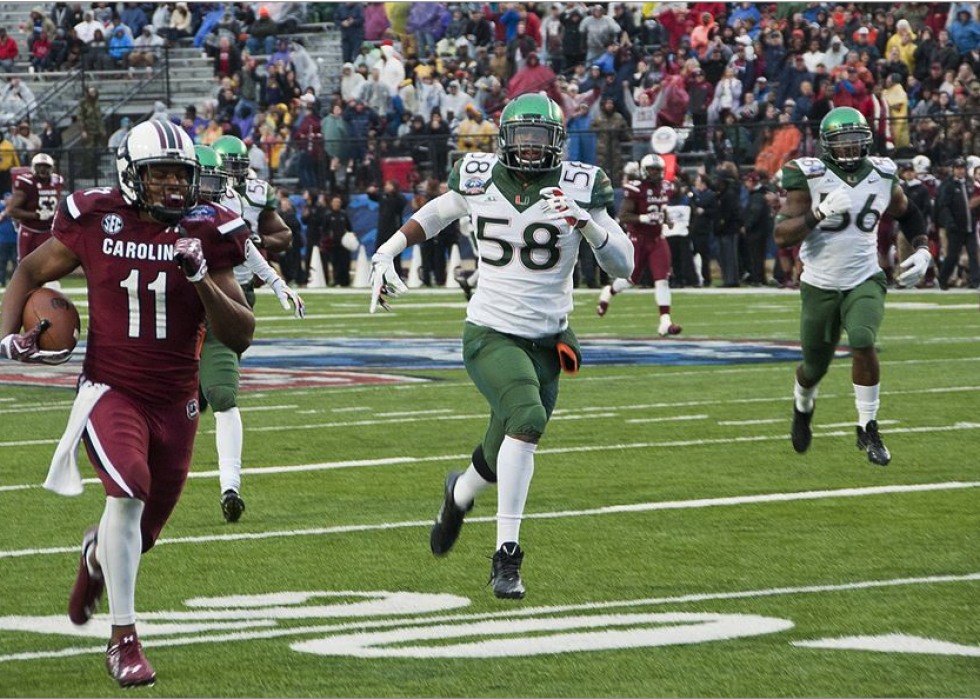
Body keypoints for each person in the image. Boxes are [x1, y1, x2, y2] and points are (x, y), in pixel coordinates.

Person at [0, 119, 254, 688]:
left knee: (139, 536)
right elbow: (28, 271)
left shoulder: (209, 229)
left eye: (179, 176)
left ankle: (94, 561)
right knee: (129, 485)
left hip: (178, 402)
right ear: (131, 175)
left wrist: (202, 279)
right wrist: (9, 338)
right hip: (110, 389)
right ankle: (124, 638)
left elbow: (239, 335)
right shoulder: (95, 216)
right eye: (159, 175)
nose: (171, 187)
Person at [368, 94, 633, 599]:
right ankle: (506, 556)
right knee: (527, 420)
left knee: (504, 441)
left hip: (548, 337)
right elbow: (440, 213)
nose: (531, 150)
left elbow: (625, 265)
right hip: (490, 330)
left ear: (557, 142)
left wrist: (587, 223)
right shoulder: (477, 174)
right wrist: (390, 247)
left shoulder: (581, 184)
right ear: (506, 140)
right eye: (523, 139)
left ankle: (459, 493)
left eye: (540, 140)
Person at [774, 107, 931, 466]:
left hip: (864, 277)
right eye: (841, 143)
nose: (848, 150)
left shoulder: (881, 173)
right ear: (827, 145)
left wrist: (923, 250)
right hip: (819, 284)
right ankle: (803, 406)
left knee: (862, 339)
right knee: (813, 367)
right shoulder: (808, 175)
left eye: (854, 142)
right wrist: (818, 213)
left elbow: (908, 213)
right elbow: (781, 236)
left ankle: (867, 427)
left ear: (867, 142)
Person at [208, 135, 302, 522]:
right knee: (182, 396)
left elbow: (249, 246)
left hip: (233, 293)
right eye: (211, 179)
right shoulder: (171, 210)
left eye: (221, 178)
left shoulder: (233, 204)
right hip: (179, 305)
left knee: (222, 392)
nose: (218, 187)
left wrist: (278, 283)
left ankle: (230, 486)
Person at [595, 154, 681, 336]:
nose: (655, 173)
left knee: (662, 280)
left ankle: (665, 322)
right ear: (643, 170)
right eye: (651, 169)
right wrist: (644, 218)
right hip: (637, 238)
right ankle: (608, 291)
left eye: (658, 170)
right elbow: (624, 216)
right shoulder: (635, 189)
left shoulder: (665, 187)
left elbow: (662, 206)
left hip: (657, 238)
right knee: (631, 278)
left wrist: (667, 218)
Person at [7, 153, 64, 263]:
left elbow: (58, 202)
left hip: (48, 230)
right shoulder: (27, 183)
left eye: (46, 166)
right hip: (29, 230)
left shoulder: (57, 181)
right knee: (24, 264)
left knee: (50, 264)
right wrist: (36, 215)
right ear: (34, 167)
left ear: (51, 168)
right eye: (40, 166)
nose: (43, 169)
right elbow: (12, 210)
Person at [935, 157, 980, 289]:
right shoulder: (948, 185)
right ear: (953, 170)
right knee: (952, 256)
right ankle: (943, 279)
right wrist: (949, 222)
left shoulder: (969, 184)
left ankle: (975, 281)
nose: (960, 171)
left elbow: (972, 204)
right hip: (956, 227)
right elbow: (944, 206)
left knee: (973, 254)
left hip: (969, 226)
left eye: (962, 168)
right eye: (958, 168)